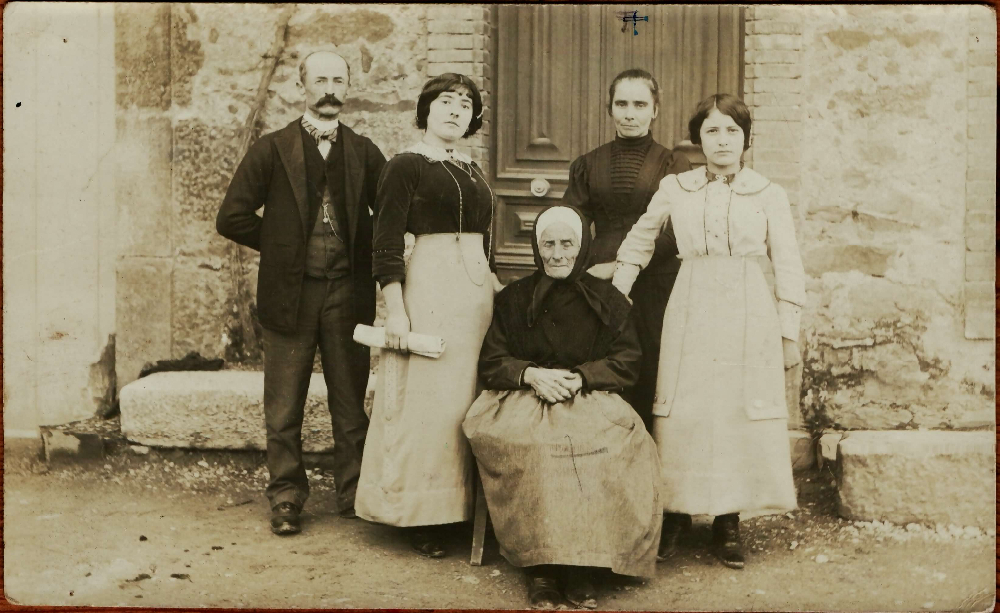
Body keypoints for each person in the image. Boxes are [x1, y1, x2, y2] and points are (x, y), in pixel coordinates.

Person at [612, 93, 805, 569]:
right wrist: (616, 296)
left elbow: (788, 263)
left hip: (747, 304)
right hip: (692, 299)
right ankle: (676, 514)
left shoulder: (768, 193)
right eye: (712, 131)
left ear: (746, 139)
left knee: (736, 406)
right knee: (688, 406)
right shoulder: (677, 187)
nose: (722, 141)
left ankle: (727, 522)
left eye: (732, 131)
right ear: (698, 139)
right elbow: (640, 237)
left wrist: (787, 331)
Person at [217, 51, 386, 535]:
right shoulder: (273, 149)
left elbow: (391, 214)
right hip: (289, 295)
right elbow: (232, 217)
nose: (329, 88)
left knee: (351, 403)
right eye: (320, 79)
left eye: (338, 79)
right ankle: (287, 497)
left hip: (347, 296)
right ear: (302, 85)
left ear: (348, 87)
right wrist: (282, 246)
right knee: (284, 404)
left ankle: (354, 493)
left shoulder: (364, 151)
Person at [463, 205, 662, 610]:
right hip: (524, 399)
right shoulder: (514, 299)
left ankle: (584, 568)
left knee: (601, 450)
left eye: (566, 244)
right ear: (537, 250)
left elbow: (627, 360)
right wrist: (531, 374)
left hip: (589, 397)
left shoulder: (609, 300)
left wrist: (582, 377)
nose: (557, 253)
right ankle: (543, 569)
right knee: (539, 451)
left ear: (582, 247)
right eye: (548, 244)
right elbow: (492, 361)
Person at [355, 73, 503, 558]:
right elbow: (385, 245)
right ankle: (418, 513)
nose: (456, 111)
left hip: (474, 294)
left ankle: (462, 509)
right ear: (425, 110)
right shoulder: (405, 166)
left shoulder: (473, 169)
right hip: (428, 292)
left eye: (466, 104)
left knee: (465, 400)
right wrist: (395, 312)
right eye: (446, 101)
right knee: (427, 404)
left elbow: (485, 243)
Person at [561, 68, 691, 434]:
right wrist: (587, 270)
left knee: (652, 368)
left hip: (655, 282)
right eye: (621, 104)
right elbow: (571, 222)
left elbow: (678, 231)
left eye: (639, 104)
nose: (629, 113)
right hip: (599, 281)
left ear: (655, 110)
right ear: (609, 108)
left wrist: (621, 265)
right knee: (603, 366)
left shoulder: (674, 165)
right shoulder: (588, 164)